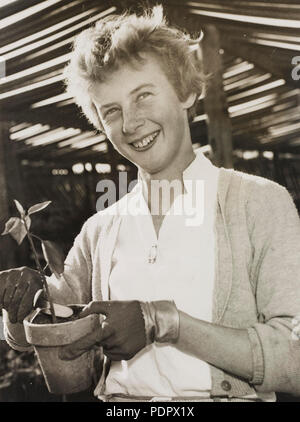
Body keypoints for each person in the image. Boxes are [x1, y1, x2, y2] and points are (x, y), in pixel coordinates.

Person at [1, 6, 300, 402]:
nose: (130, 123)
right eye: (111, 111)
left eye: (143, 95)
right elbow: (52, 322)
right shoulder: (101, 229)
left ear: (186, 92)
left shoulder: (259, 203)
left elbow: (294, 357)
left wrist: (165, 322)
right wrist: (20, 304)